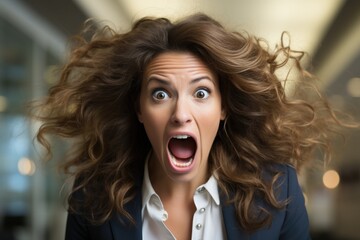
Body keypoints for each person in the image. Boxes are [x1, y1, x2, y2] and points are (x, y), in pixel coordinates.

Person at [32, 13, 350, 240]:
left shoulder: (278, 189)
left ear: (223, 107)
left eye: (200, 93)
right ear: (139, 109)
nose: (180, 113)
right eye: (160, 93)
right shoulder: (92, 196)